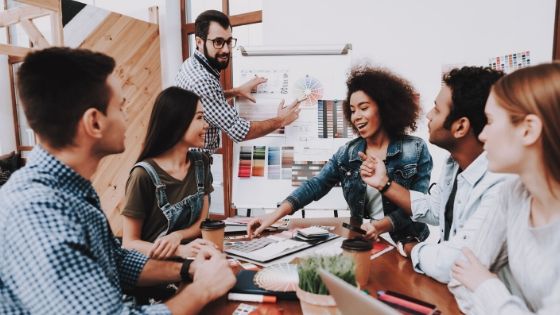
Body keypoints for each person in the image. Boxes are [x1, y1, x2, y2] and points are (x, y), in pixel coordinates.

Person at [0, 47, 235, 314]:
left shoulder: (71, 190)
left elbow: (117, 261)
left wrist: (188, 268)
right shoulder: (38, 212)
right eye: (121, 107)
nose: (126, 118)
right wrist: (202, 289)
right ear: (94, 122)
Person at [247, 65, 433, 244]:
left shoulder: (415, 150)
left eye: (364, 107)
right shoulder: (348, 153)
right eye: (352, 110)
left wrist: (380, 226)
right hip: (364, 240)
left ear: (384, 108)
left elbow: (417, 206)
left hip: (409, 243)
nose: (356, 116)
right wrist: (273, 215)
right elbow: (315, 185)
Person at [359, 66, 506, 283]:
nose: (428, 114)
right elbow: (435, 209)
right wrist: (384, 183)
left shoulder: (500, 183)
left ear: (460, 127)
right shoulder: (454, 164)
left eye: (437, 110)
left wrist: (413, 248)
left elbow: (456, 262)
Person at [449, 63, 560, 314]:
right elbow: (460, 279)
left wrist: (487, 285)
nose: (482, 135)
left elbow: (475, 280)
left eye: (489, 121)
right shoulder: (513, 193)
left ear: (528, 130)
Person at [175, 10, 301, 152]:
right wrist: (281, 120)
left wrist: (236, 91)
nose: (226, 50)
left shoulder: (191, 64)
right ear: (199, 42)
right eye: (218, 42)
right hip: (194, 167)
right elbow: (239, 130)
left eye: (229, 42)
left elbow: (206, 99)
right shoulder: (201, 80)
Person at [121, 87, 213, 260]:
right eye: (200, 118)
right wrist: (178, 250)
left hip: (194, 261)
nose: (206, 124)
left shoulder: (201, 163)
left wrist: (177, 236)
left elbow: (201, 223)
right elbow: (129, 242)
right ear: (178, 122)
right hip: (154, 269)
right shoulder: (143, 175)